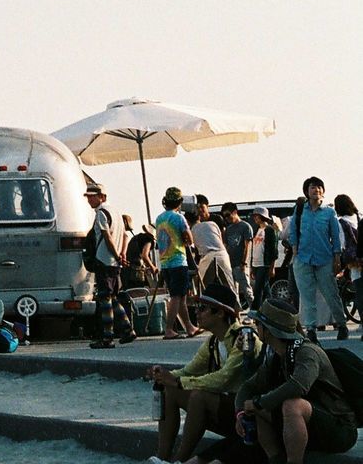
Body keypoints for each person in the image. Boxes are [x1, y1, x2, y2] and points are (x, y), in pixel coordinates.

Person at [144, 282, 260, 464]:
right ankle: (162, 457)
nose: (196, 312)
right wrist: (165, 375)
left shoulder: (243, 337)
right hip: (229, 409)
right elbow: (189, 370)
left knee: (199, 397)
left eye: (203, 308)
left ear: (221, 312)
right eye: (196, 307)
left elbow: (223, 379)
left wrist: (180, 381)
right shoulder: (213, 341)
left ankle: (179, 461)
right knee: (170, 390)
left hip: (247, 411)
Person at [235, 298, 357, 461]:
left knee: (291, 405)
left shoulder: (307, 352)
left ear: (269, 330)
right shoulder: (278, 355)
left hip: (340, 429)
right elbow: (249, 386)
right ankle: (276, 460)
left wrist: (260, 402)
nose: (256, 329)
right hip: (309, 425)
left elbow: (298, 386)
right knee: (257, 410)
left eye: (258, 324)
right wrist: (241, 413)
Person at [286, 177, 348, 342]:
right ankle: (311, 329)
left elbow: (335, 236)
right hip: (303, 259)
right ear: (306, 191)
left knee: (331, 294)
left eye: (320, 187)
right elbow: (293, 231)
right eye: (313, 187)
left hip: (324, 259)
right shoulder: (299, 210)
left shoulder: (329, 212)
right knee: (307, 296)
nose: (317, 190)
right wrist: (294, 249)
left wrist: (336, 258)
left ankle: (341, 324)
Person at [85, 181, 136, 349]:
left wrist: (116, 255)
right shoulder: (116, 211)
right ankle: (127, 329)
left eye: (92, 197)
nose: (90, 200)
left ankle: (108, 336)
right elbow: (123, 236)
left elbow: (107, 238)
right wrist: (121, 255)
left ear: (102, 197)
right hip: (114, 262)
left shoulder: (101, 213)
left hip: (104, 259)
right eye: (88, 197)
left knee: (105, 298)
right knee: (113, 296)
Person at [156, 188, 201, 340]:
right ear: (179, 202)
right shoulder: (179, 218)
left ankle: (189, 327)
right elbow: (189, 238)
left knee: (180, 296)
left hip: (165, 262)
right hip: (178, 260)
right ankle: (169, 329)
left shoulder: (159, 218)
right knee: (177, 296)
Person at [191, 199, 235, 298]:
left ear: (207, 206)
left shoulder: (216, 219)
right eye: (198, 208)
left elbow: (223, 238)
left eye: (202, 207)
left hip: (218, 253)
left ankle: (235, 312)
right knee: (207, 287)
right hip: (204, 257)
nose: (200, 210)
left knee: (227, 284)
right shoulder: (196, 224)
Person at [334, 193, 362, 337]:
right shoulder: (359, 217)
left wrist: (339, 261)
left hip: (354, 262)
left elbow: (342, 243)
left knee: (359, 292)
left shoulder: (341, 222)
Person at [220, 204, 254, 309]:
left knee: (247, 291)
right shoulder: (228, 229)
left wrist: (244, 262)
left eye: (228, 215)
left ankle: (255, 311)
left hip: (241, 264)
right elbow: (225, 246)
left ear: (235, 212)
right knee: (233, 292)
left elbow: (247, 246)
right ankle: (237, 314)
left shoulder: (245, 226)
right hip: (230, 264)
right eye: (224, 216)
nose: (227, 218)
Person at [250, 205, 279, 309]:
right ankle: (273, 309)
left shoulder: (270, 230)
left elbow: (273, 251)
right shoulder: (257, 230)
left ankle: (254, 311)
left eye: (257, 216)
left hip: (264, 264)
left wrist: (272, 267)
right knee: (266, 291)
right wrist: (252, 267)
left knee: (258, 290)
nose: (255, 219)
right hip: (256, 263)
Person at [123, 220, 157, 290]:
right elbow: (145, 256)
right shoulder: (148, 240)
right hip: (136, 272)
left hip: (127, 270)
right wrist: (152, 267)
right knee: (138, 292)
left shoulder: (136, 237)